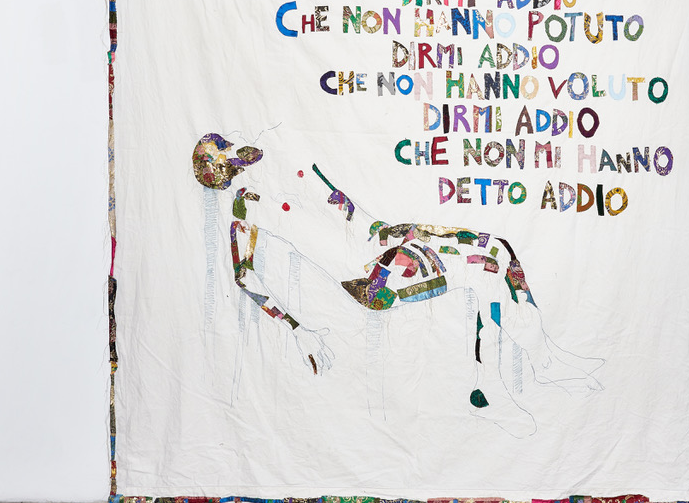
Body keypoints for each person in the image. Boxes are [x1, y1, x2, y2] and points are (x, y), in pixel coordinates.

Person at [192, 132, 602, 433]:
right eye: (223, 154)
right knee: (485, 270)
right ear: (221, 172)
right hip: (371, 277)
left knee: (498, 249)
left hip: (383, 237)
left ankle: (541, 357)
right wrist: (297, 330)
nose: (236, 151)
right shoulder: (246, 208)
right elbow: (243, 275)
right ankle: (494, 388)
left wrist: (387, 232)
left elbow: (335, 200)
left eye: (228, 146)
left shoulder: (279, 157)